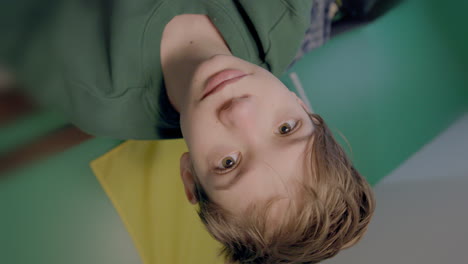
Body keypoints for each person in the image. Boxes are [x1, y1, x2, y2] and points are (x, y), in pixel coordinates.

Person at [1, 0, 375, 263]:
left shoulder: (88, 89)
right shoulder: (287, 14)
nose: (240, 111)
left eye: (229, 162)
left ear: (189, 176)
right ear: (303, 105)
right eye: (285, 127)